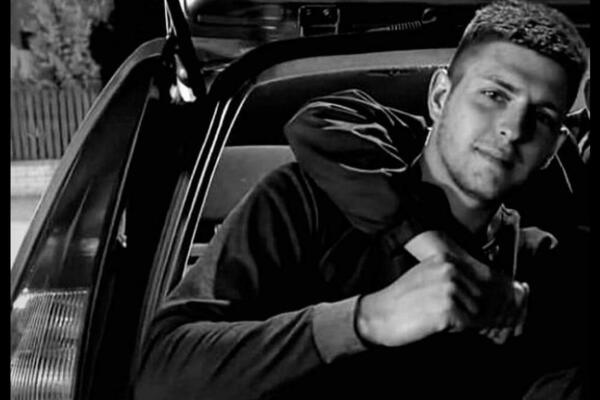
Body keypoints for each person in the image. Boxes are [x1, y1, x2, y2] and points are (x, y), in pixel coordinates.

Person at [134, 1, 589, 399]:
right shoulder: (302, 202)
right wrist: (365, 320)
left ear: (553, 147)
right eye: (493, 94)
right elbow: (162, 375)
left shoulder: (543, 266)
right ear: (440, 97)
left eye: (541, 116)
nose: (512, 128)